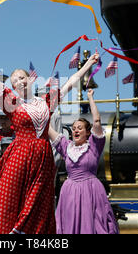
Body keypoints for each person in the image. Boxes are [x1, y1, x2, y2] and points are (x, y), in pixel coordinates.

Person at [0, 35, 99, 234]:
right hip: (18, 156)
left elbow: (71, 82)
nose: (19, 82)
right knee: (9, 200)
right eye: (14, 81)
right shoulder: (12, 102)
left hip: (43, 159)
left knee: (37, 206)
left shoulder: (47, 102)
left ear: (30, 79)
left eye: (22, 77)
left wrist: (88, 63)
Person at [49, 89, 118, 234]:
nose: (75, 131)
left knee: (94, 225)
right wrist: (42, 108)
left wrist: (90, 97)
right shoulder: (66, 146)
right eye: (73, 128)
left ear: (87, 132)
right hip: (69, 192)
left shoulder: (94, 145)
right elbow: (48, 129)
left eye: (79, 128)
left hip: (90, 190)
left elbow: (97, 121)